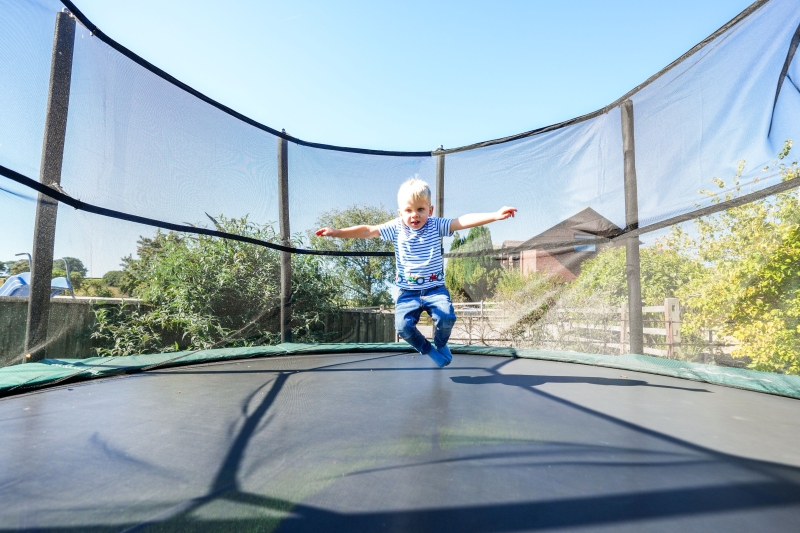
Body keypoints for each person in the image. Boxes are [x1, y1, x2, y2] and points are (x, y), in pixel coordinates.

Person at [316, 178, 517, 367]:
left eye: (420, 209)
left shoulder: (435, 225)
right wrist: (337, 232)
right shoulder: (396, 227)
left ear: (430, 210)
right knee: (403, 327)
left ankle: (440, 343)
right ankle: (428, 350)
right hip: (408, 292)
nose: (414, 215)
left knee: (447, 318)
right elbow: (368, 230)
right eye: (408, 210)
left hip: (435, 289)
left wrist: (494, 215)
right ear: (400, 213)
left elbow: (462, 221)